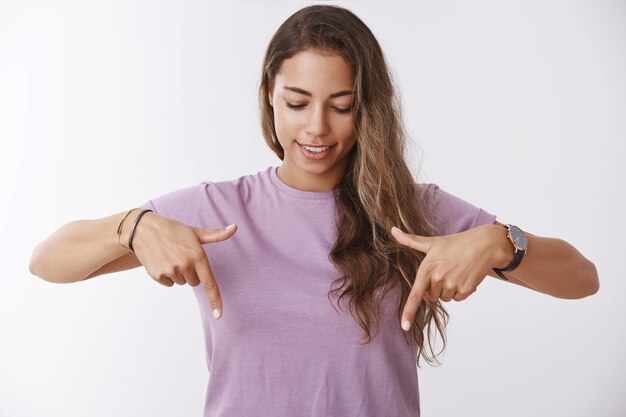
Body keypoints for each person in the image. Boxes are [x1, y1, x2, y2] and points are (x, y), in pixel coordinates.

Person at [29, 4, 599, 416]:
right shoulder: (218, 210)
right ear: (269, 97)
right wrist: (134, 227)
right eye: (297, 103)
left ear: (368, 109)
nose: (317, 128)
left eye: (342, 105)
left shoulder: (411, 210)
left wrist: (503, 242)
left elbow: (582, 279)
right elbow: (46, 261)